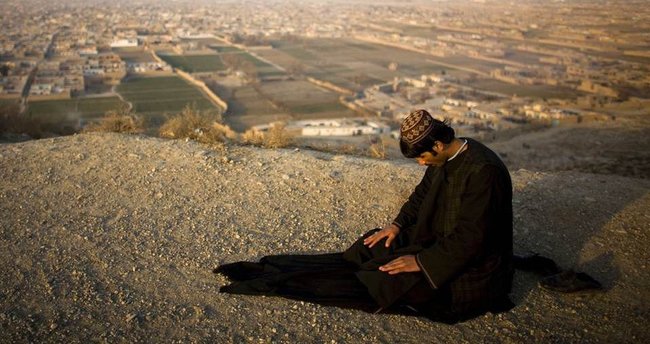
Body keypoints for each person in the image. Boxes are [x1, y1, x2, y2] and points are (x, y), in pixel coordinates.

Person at [216, 109, 514, 322]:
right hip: (437, 238)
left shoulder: (482, 172)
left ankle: (288, 282)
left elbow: (472, 239)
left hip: (471, 269)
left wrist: (421, 262)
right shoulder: (442, 157)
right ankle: (274, 270)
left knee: (387, 281)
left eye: (423, 156)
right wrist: (397, 226)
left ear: (437, 144)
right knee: (371, 247)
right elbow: (422, 196)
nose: (422, 163)